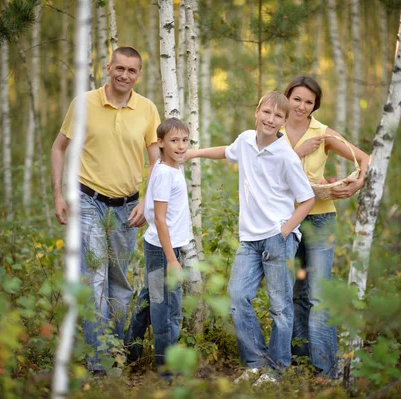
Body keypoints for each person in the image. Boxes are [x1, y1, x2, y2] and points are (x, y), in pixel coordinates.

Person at [185, 92, 316, 385]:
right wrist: (192, 153)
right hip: (249, 239)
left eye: (278, 116)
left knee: (279, 307)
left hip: (277, 238)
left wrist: (284, 231)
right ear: (257, 112)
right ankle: (255, 363)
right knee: (237, 297)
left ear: (283, 122)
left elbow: (306, 200)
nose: (271, 119)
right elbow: (226, 151)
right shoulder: (245, 141)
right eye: (267, 112)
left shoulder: (286, 155)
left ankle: (277, 370)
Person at [50, 46, 161, 373]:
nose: (124, 75)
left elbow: (156, 160)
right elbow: (59, 148)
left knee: (120, 285)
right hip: (87, 202)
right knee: (93, 280)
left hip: (128, 206)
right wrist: (58, 194)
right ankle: (99, 364)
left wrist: (146, 200)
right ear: (108, 67)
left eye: (132, 71)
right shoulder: (83, 103)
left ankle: (114, 353)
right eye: (120, 68)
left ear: (138, 74)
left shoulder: (147, 109)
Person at [282, 76, 370, 378]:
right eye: (297, 99)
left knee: (319, 294)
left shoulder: (322, 133)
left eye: (309, 102)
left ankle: (326, 373)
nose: (302, 106)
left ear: (315, 105)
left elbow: (365, 158)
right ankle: (300, 359)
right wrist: (299, 150)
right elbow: (263, 167)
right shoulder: (273, 127)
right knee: (295, 293)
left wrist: (355, 185)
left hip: (320, 219)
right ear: (287, 98)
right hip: (284, 221)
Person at [124, 118, 191, 378]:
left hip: (159, 248)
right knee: (167, 310)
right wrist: (172, 259)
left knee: (149, 300)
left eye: (185, 140)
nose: (181, 145)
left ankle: (129, 352)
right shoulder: (164, 173)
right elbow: (160, 218)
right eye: (174, 141)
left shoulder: (168, 168)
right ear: (160, 143)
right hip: (164, 252)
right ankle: (167, 372)